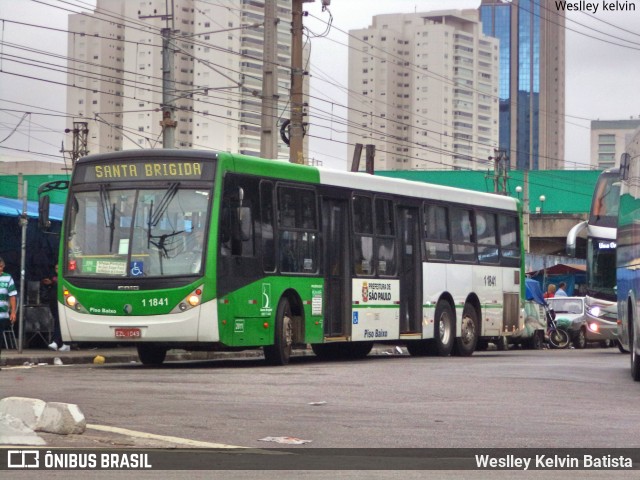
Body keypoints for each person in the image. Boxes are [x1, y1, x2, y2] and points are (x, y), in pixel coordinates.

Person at [42, 264, 70, 352]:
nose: (57, 270)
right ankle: (63, 343)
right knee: (57, 321)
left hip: (63, 302)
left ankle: (57, 342)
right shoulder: (53, 278)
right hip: (53, 302)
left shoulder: (65, 278)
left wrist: (52, 282)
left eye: (59, 268)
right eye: (56, 268)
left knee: (59, 321)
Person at [0, 257, 18, 369]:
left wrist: (13, 312)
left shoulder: (8, 278)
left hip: (2, 315)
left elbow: (12, 296)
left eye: (1, 267)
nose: (0, 269)